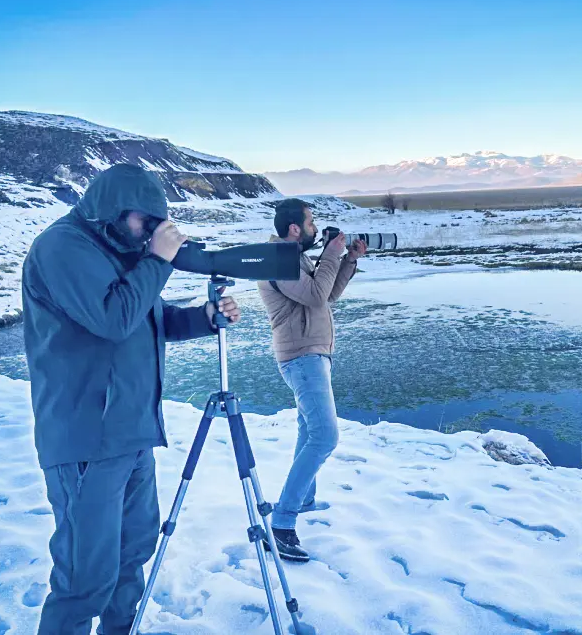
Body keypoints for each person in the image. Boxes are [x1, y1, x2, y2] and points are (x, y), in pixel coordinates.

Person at [21, 163, 241, 635]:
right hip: (86, 438)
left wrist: (204, 317)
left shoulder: (121, 248)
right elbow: (114, 319)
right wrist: (158, 261)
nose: (153, 235)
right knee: (85, 577)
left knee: (131, 556)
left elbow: (148, 318)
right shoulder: (63, 246)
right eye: (148, 223)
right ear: (114, 210)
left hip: (132, 432)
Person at [256, 198, 366, 563]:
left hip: (311, 352)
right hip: (302, 356)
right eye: (311, 222)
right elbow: (318, 294)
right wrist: (332, 254)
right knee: (325, 435)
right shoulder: (279, 261)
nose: (315, 228)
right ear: (294, 229)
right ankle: (282, 524)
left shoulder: (294, 258)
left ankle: (302, 499)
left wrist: (347, 260)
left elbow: (325, 296)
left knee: (308, 431)